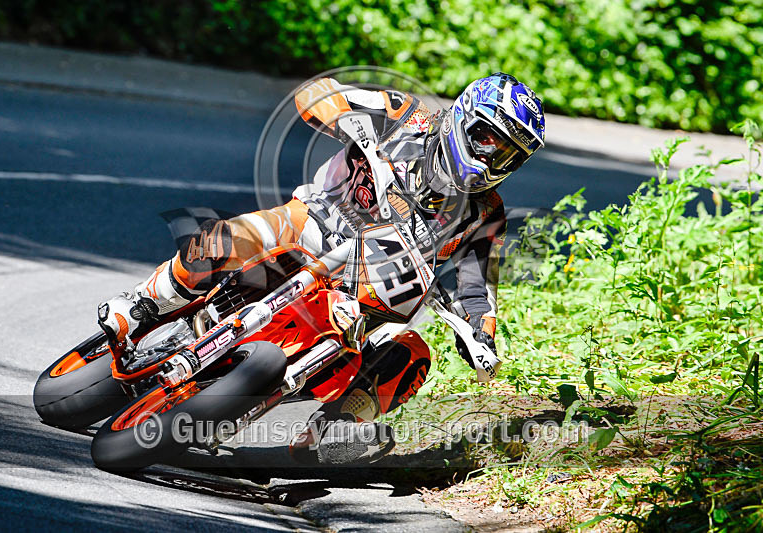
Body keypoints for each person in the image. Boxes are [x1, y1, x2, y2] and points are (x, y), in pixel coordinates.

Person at [97, 72, 546, 465]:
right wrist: (333, 112)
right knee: (226, 239)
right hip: (312, 226)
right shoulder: (406, 115)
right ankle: (142, 303)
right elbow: (320, 94)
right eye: (488, 139)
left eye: (508, 154)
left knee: (411, 354)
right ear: (465, 118)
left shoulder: (486, 211)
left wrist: (480, 335)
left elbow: (478, 285)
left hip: (366, 292)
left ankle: (331, 432)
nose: (492, 158)